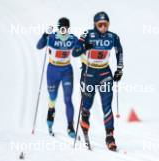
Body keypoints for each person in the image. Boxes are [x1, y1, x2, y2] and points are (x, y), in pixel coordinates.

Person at [72, 11, 124, 151]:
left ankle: (110, 136)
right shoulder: (87, 34)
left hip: (104, 73)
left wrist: (119, 69)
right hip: (89, 73)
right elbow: (75, 52)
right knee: (87, 104)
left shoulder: (112, 37)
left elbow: (119, 50)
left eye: (105, 25)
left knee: (107, 105)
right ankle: (84, 119)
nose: (103, 28)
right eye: (100, 25)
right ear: (95, 24)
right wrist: (85, 46)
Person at [37, 17, 78, 138]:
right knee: (53, 97)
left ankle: (70, 126)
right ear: (58, 28)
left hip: (66, 71)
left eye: (65, 28)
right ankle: (50, 113)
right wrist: (45, 35)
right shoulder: (52, 37)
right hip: (52, 71)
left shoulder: (72, 39)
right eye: (61, 28)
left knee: (68, 99)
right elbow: (39, 46)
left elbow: (80, 50)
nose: (63, 30)